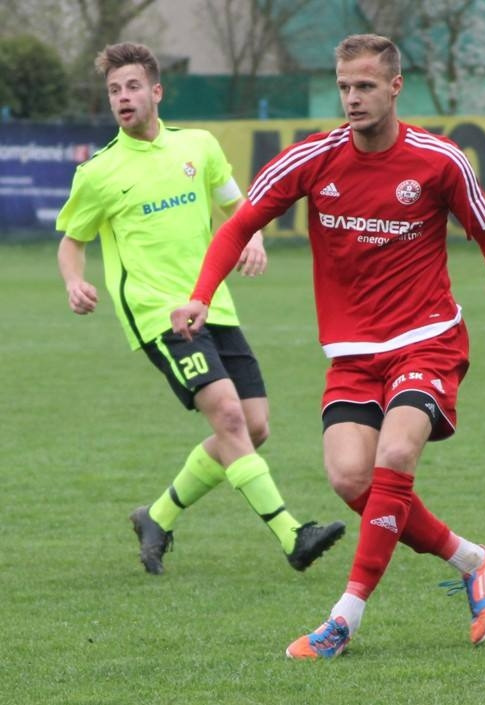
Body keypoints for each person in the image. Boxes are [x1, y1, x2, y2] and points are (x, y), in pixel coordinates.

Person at [170, 34, 485, 658]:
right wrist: (201, 295)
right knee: (349, 478)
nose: (352, 98)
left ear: (395, 87)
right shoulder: (312, 158)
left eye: (365, 85)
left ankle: (344, 618)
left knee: (395, 454)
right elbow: (239, 225)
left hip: (426, 340)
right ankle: (476, 561)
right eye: (344, 86)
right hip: (353, 355)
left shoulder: (439, 161)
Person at [56, 42, 345, 577]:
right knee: (230, 418)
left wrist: (252, 236)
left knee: (254, 427)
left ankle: (157, 516)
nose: (123, 97)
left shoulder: (199, 146)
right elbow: (72, 241)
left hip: (213, 306)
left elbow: (240, 208)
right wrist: (75, 281)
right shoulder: (99, 172)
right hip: (157, 315)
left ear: (156, 91)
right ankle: (292, 534)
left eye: (132, 86)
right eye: (114, 90)